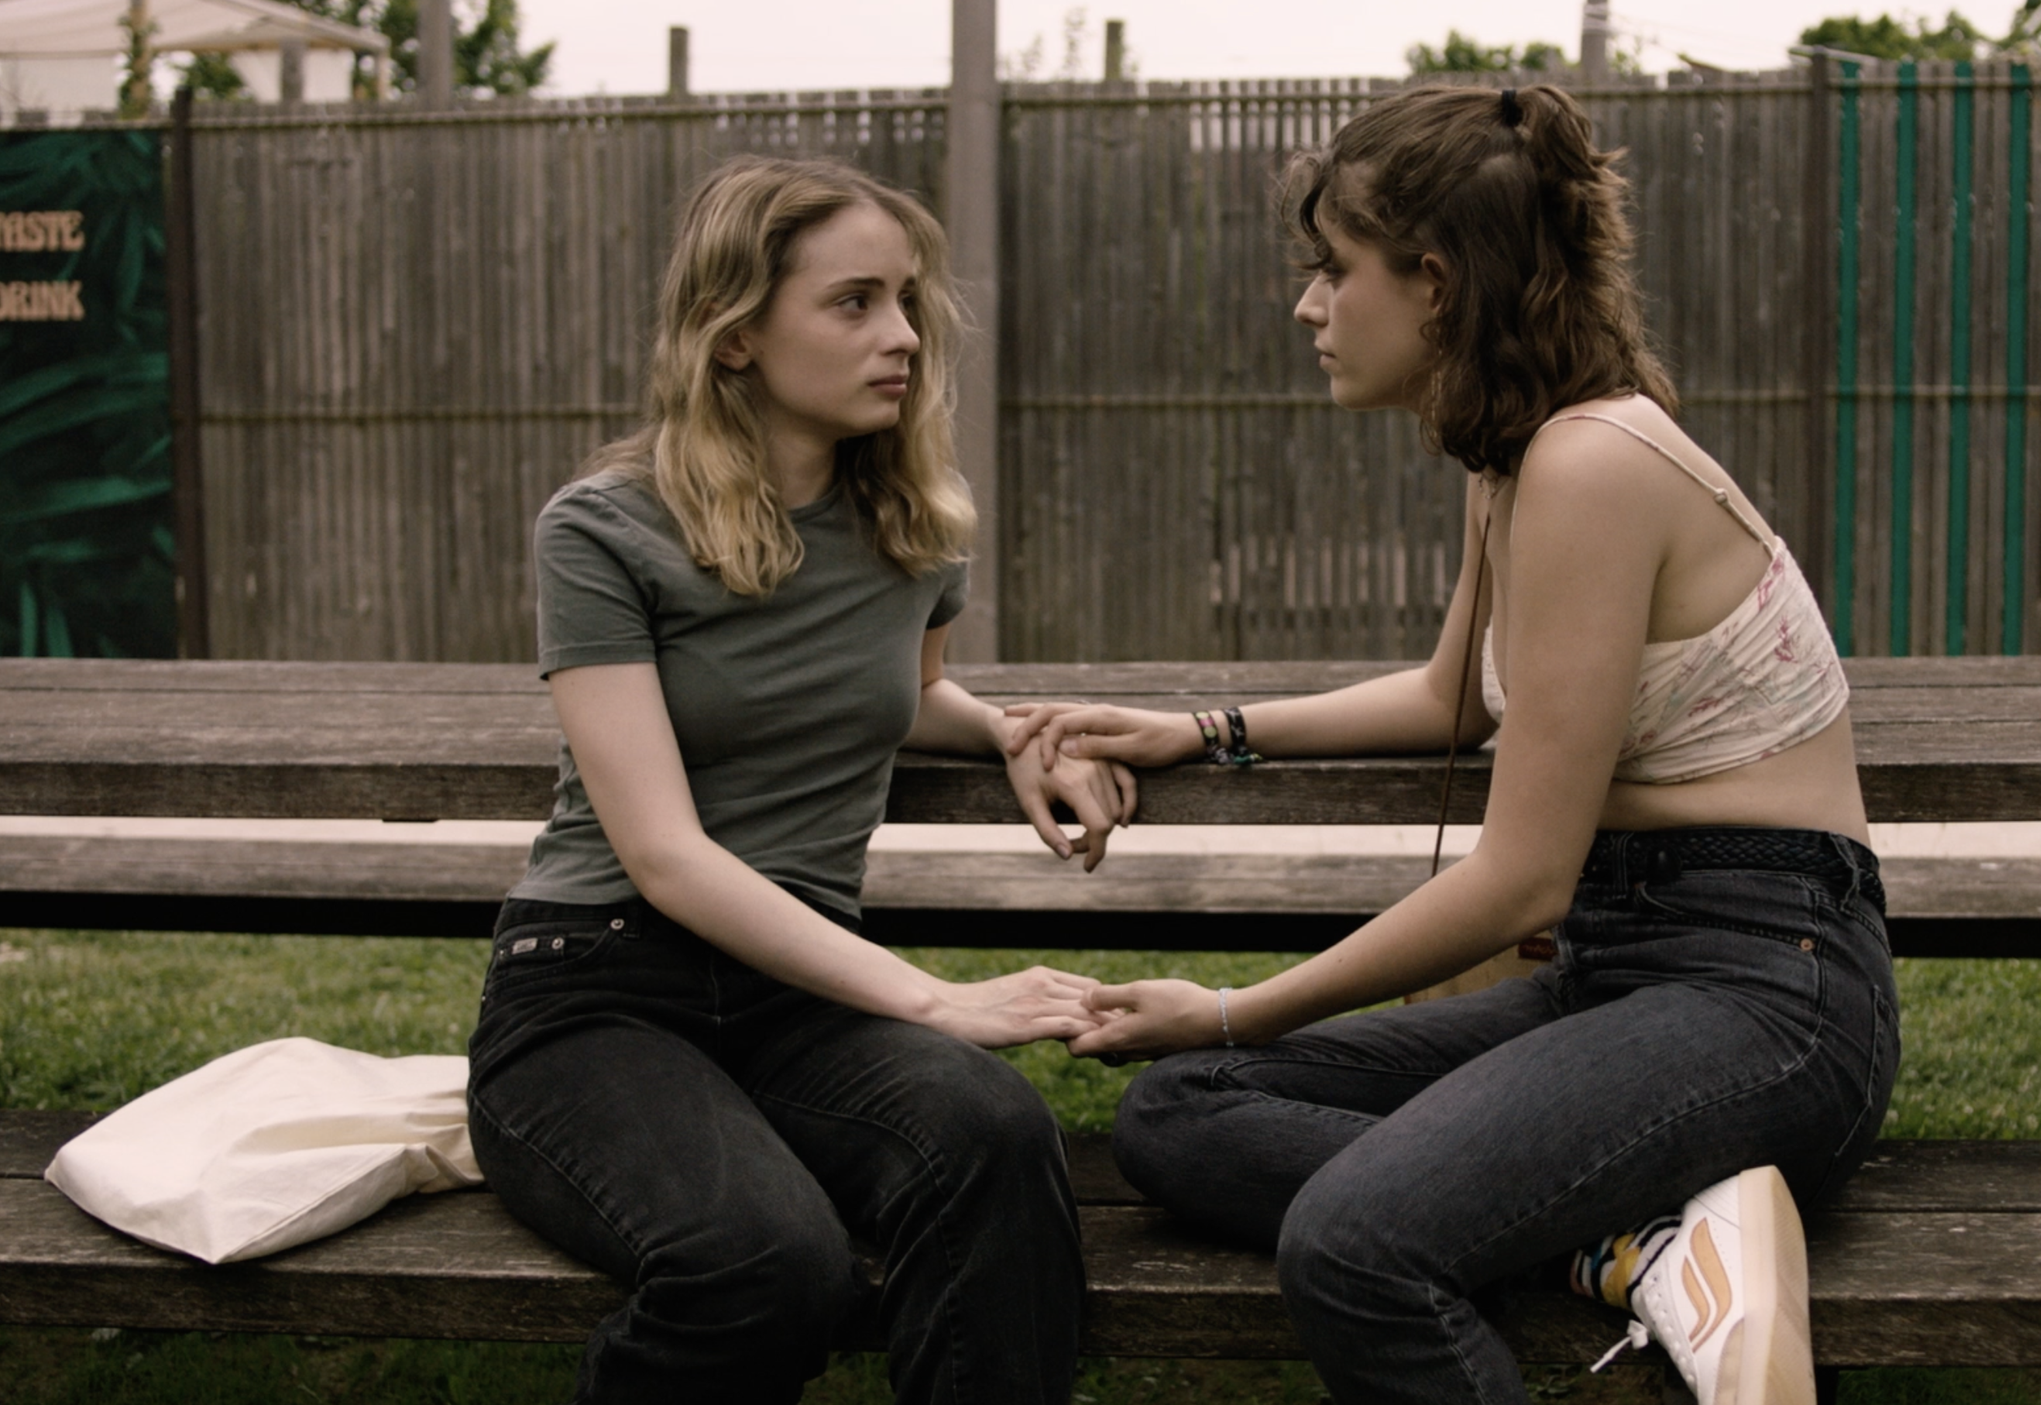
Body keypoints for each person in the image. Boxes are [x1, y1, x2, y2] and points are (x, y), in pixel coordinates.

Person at [1004, 85, 1898, 1405]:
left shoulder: (1590, 461)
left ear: (1433, 282)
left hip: (1766, 994)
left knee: (1354, 1243)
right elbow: (1455, 698)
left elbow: (1519, 881)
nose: (1308, 306)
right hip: (1619, 974)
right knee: (1181, 1109)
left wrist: (1235, 1005)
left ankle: (1630, 1230)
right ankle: (1639, 1241)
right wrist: (1205, 730)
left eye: (1333, 268)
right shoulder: (1516, 457)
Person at [465, 155, 1134, 1405]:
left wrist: (1011, 734)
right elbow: (664, 854)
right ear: (734, 336)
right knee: (766, 1263)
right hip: (599, 993)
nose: (903, 335)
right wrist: (934, 1001)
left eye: (907, 300)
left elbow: (904, 692)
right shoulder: (604, 530)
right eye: (854, 302)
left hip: (795, 994)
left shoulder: (913, 526)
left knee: (996, 1135)